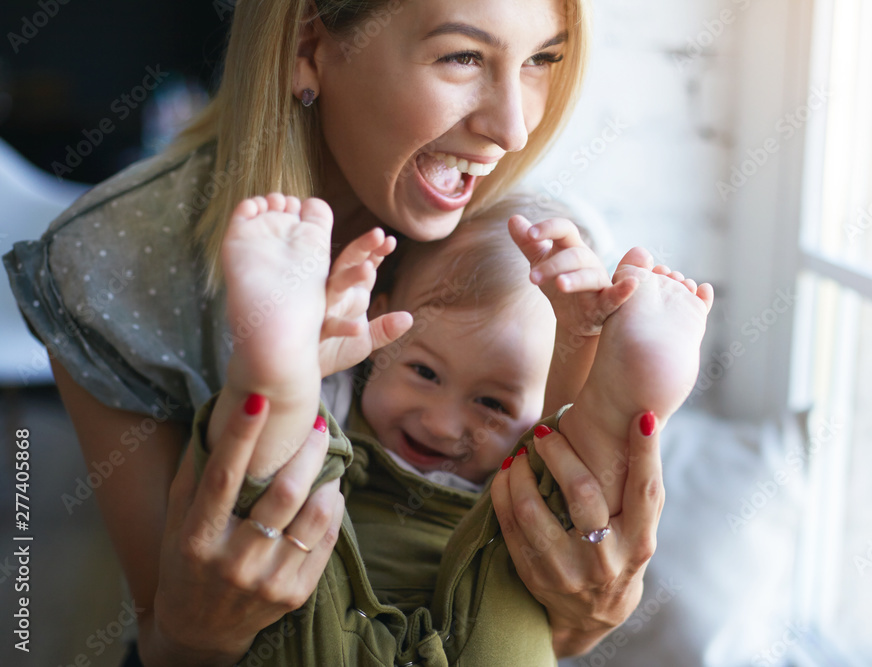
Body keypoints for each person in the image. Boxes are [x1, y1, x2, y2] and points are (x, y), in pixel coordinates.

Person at [2, 0, 680, 663]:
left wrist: (585, 613)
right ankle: (283, 378)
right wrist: (200, 625)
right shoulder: (108, 262)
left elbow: (540, 610)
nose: (513, 130)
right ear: (309, 45)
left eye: (540, 59)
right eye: (463, 56)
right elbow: (170, 638)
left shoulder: (527, 236)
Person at [187, 191, 711, 665]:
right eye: (423, 372)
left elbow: (558, 442)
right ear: (381, 323)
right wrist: (307, 364)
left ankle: (614, 400)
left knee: (557, 487)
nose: (440, 423)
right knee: (288, 452)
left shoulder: (520, 470)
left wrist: (578, 338)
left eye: (491, 403)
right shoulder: (339, 393)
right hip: (317, 588)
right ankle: (278, 362)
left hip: (486, 595)